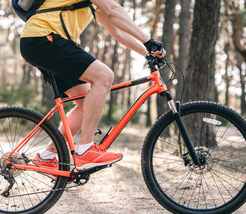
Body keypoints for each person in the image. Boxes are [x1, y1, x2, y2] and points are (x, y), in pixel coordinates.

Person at [19, 0, 166, 171]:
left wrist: (148, 52)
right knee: (104, 76)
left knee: (85, 103)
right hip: (44, 39)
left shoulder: (93, 5)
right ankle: (86, 150)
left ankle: (47, 156)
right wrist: (148, 40)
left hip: (45, 42)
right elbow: (113, 9)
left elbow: (117, 32)